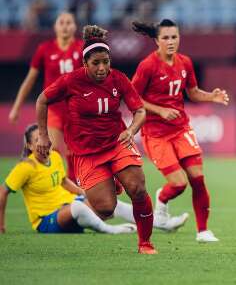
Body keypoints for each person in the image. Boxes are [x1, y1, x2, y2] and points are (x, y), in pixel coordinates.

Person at [35, 25, 157, 254]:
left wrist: (131, 130)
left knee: (138, 188)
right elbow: (42, 100)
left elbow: (140, 110)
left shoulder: (118, 79)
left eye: (106, 62)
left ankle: (145, 243)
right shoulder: (71, 81)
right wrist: (43, 135)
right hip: (87, 153)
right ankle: (113, 181)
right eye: (96, 63)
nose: (102, 68)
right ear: (85, 64)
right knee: (105, 208)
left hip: (117, 143)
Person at [131, 20, 229, 243]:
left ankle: (203, 231)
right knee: (178, 183)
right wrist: (160, 110)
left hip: (181, 129)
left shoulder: (185, 62)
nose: (171, 41)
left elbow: (192, 92)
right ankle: (161, 202)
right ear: (156, 41)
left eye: (174, 37)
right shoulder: (148, 66)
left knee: (198, 178)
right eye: (165, 38)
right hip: (155, 133)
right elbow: (132, 96)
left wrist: (210, 96)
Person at [0, 125, 187, 234]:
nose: (43, 145)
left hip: (69, 206)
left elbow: (64, 182)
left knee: (114, 205)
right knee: (78, 207)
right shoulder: (26, 167)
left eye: (45, 139)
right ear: (30, 145)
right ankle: (110, 230)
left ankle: (162, 224)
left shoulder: (55, 157)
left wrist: (85, 193)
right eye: (37, 141)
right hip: (46, 219)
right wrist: (1, 224)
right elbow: (3, 191)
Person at [9, 12, 84, 182]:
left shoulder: (81, 48)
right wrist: (16, 107)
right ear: (55, 27)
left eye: (69, 22)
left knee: (73, 153)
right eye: (61, 22)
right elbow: (30, 80)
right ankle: (57, 188)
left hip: (76, 109)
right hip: (52, 108)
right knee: (54, 148)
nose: (65, 25)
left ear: (74, 27)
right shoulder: (44, 49)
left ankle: (74, 194)